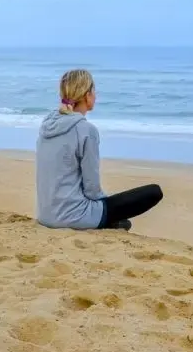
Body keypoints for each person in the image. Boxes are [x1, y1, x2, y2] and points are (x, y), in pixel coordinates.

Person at [35, 68, 163, 231]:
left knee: (122, 222)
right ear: (87, 95)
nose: (96, 95)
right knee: (154, 192)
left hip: (45, 215)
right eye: (94, 91)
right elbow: (92, 189)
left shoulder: (47, 126)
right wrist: (106, 205)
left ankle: (111, 222)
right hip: (72, 217)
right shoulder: (86, 130)